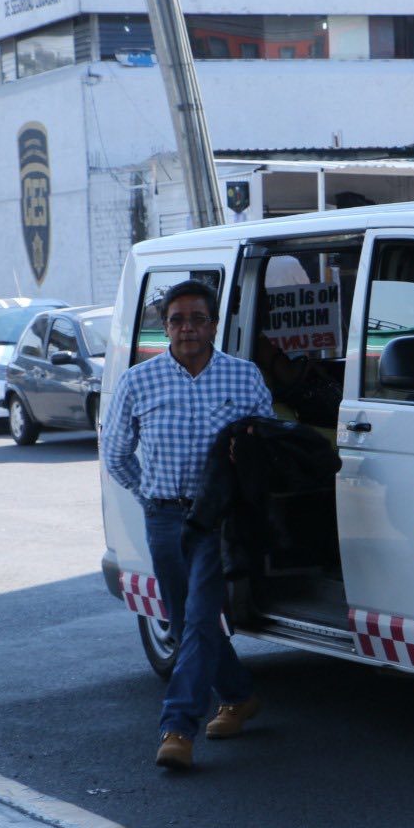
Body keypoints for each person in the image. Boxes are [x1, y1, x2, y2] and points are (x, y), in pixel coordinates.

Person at [102, 280, 274, 771]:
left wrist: (249, 455)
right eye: (177, 320)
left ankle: (177, 727)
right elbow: (115, 454)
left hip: (217, 519)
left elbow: (267, 445)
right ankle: (238, 696)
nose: (188, 329)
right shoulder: (139, 381)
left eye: (198, 319)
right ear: (165, 327)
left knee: (200, 617)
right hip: (162, 515)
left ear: (215, 324)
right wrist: (148, 493)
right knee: (181, 622)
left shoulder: (243, 378)